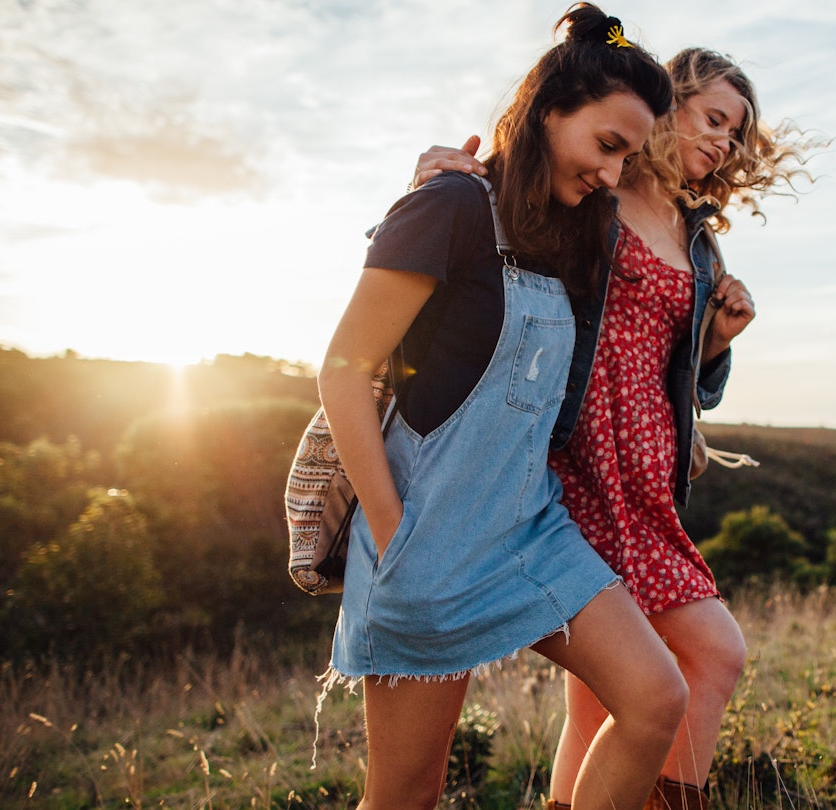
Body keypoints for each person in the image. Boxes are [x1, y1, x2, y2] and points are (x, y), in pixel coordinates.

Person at [411, 46, 817, 810]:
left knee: (603, 703)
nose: (723, 143)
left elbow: (683, 375)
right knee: (713, 652)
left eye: (735, 135)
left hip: (645, 474)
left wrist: (717, 342)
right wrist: (437, 178)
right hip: (570, 461)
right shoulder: (593, 188)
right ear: (670, 106)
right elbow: (495, 219)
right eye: (714, 120)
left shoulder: (701, 238)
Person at [317, 7, 687, 809]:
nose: (614, 175)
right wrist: (394, 534)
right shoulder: (448, 209)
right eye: (608, 146)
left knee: (658, 698)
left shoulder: (582, 232)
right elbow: (342, 373)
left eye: (629, 156)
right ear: (549, 110)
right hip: (427, 542)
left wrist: (717, 339)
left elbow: (664, 292)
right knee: (406, 794)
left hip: (532, 531)